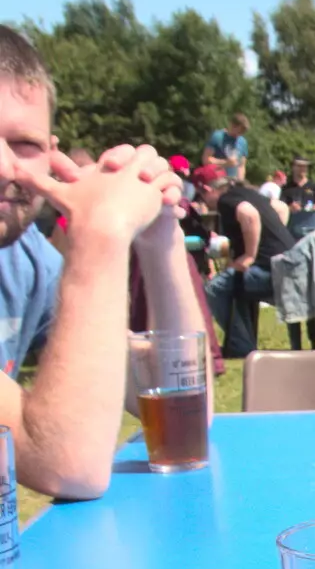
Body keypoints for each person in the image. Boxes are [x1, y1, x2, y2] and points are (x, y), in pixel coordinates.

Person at [0, 26, 204, 499]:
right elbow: (69, 465)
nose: (6, 167)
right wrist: (101, 229)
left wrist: (160, 236)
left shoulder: (25, 259)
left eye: (23, 145)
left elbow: (177, 406)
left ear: (51, 152)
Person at [194, 162, 295, 350]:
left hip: (271, 271)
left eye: (201, 195)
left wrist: (250, 255)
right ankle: (243, 341)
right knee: (233, 282)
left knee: (215, 289)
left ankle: (240, 345)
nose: (203, 200)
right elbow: (281, 207)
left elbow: (249, 215)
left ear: (208, 189)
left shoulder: (226, 201)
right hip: (289, 264)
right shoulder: (251, 192)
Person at [202, 113, 249, 182]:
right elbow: (205, 160)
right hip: (216, 180)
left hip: (233, 182)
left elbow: (241, 166)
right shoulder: (217, 136)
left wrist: (240, 182)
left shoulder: (243, 142)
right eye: (239, 131)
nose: (239, 135)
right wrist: (225, 162)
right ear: (232, 125)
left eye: (242, 132)